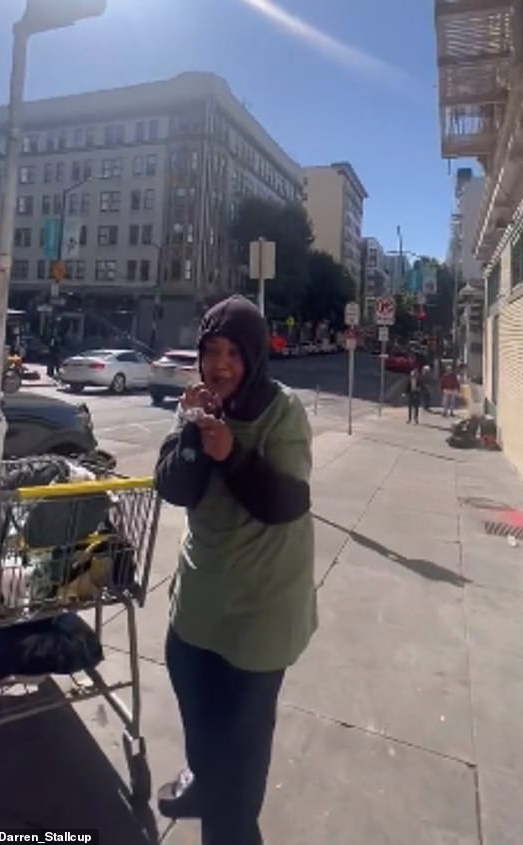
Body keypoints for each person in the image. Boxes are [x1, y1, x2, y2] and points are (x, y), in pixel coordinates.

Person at [154, 295, 317, 845]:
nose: (220, 365)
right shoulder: (197, 405)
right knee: (189, 685)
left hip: (262, 607)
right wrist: (194, 437)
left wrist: (233, 456)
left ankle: (232, 825)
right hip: (201, 595)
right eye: (210, 352)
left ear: (253, 359)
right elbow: (174, 488)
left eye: (232, 354)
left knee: (242, 749)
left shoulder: (282, 410)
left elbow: (286, 503)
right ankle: (203, 778)